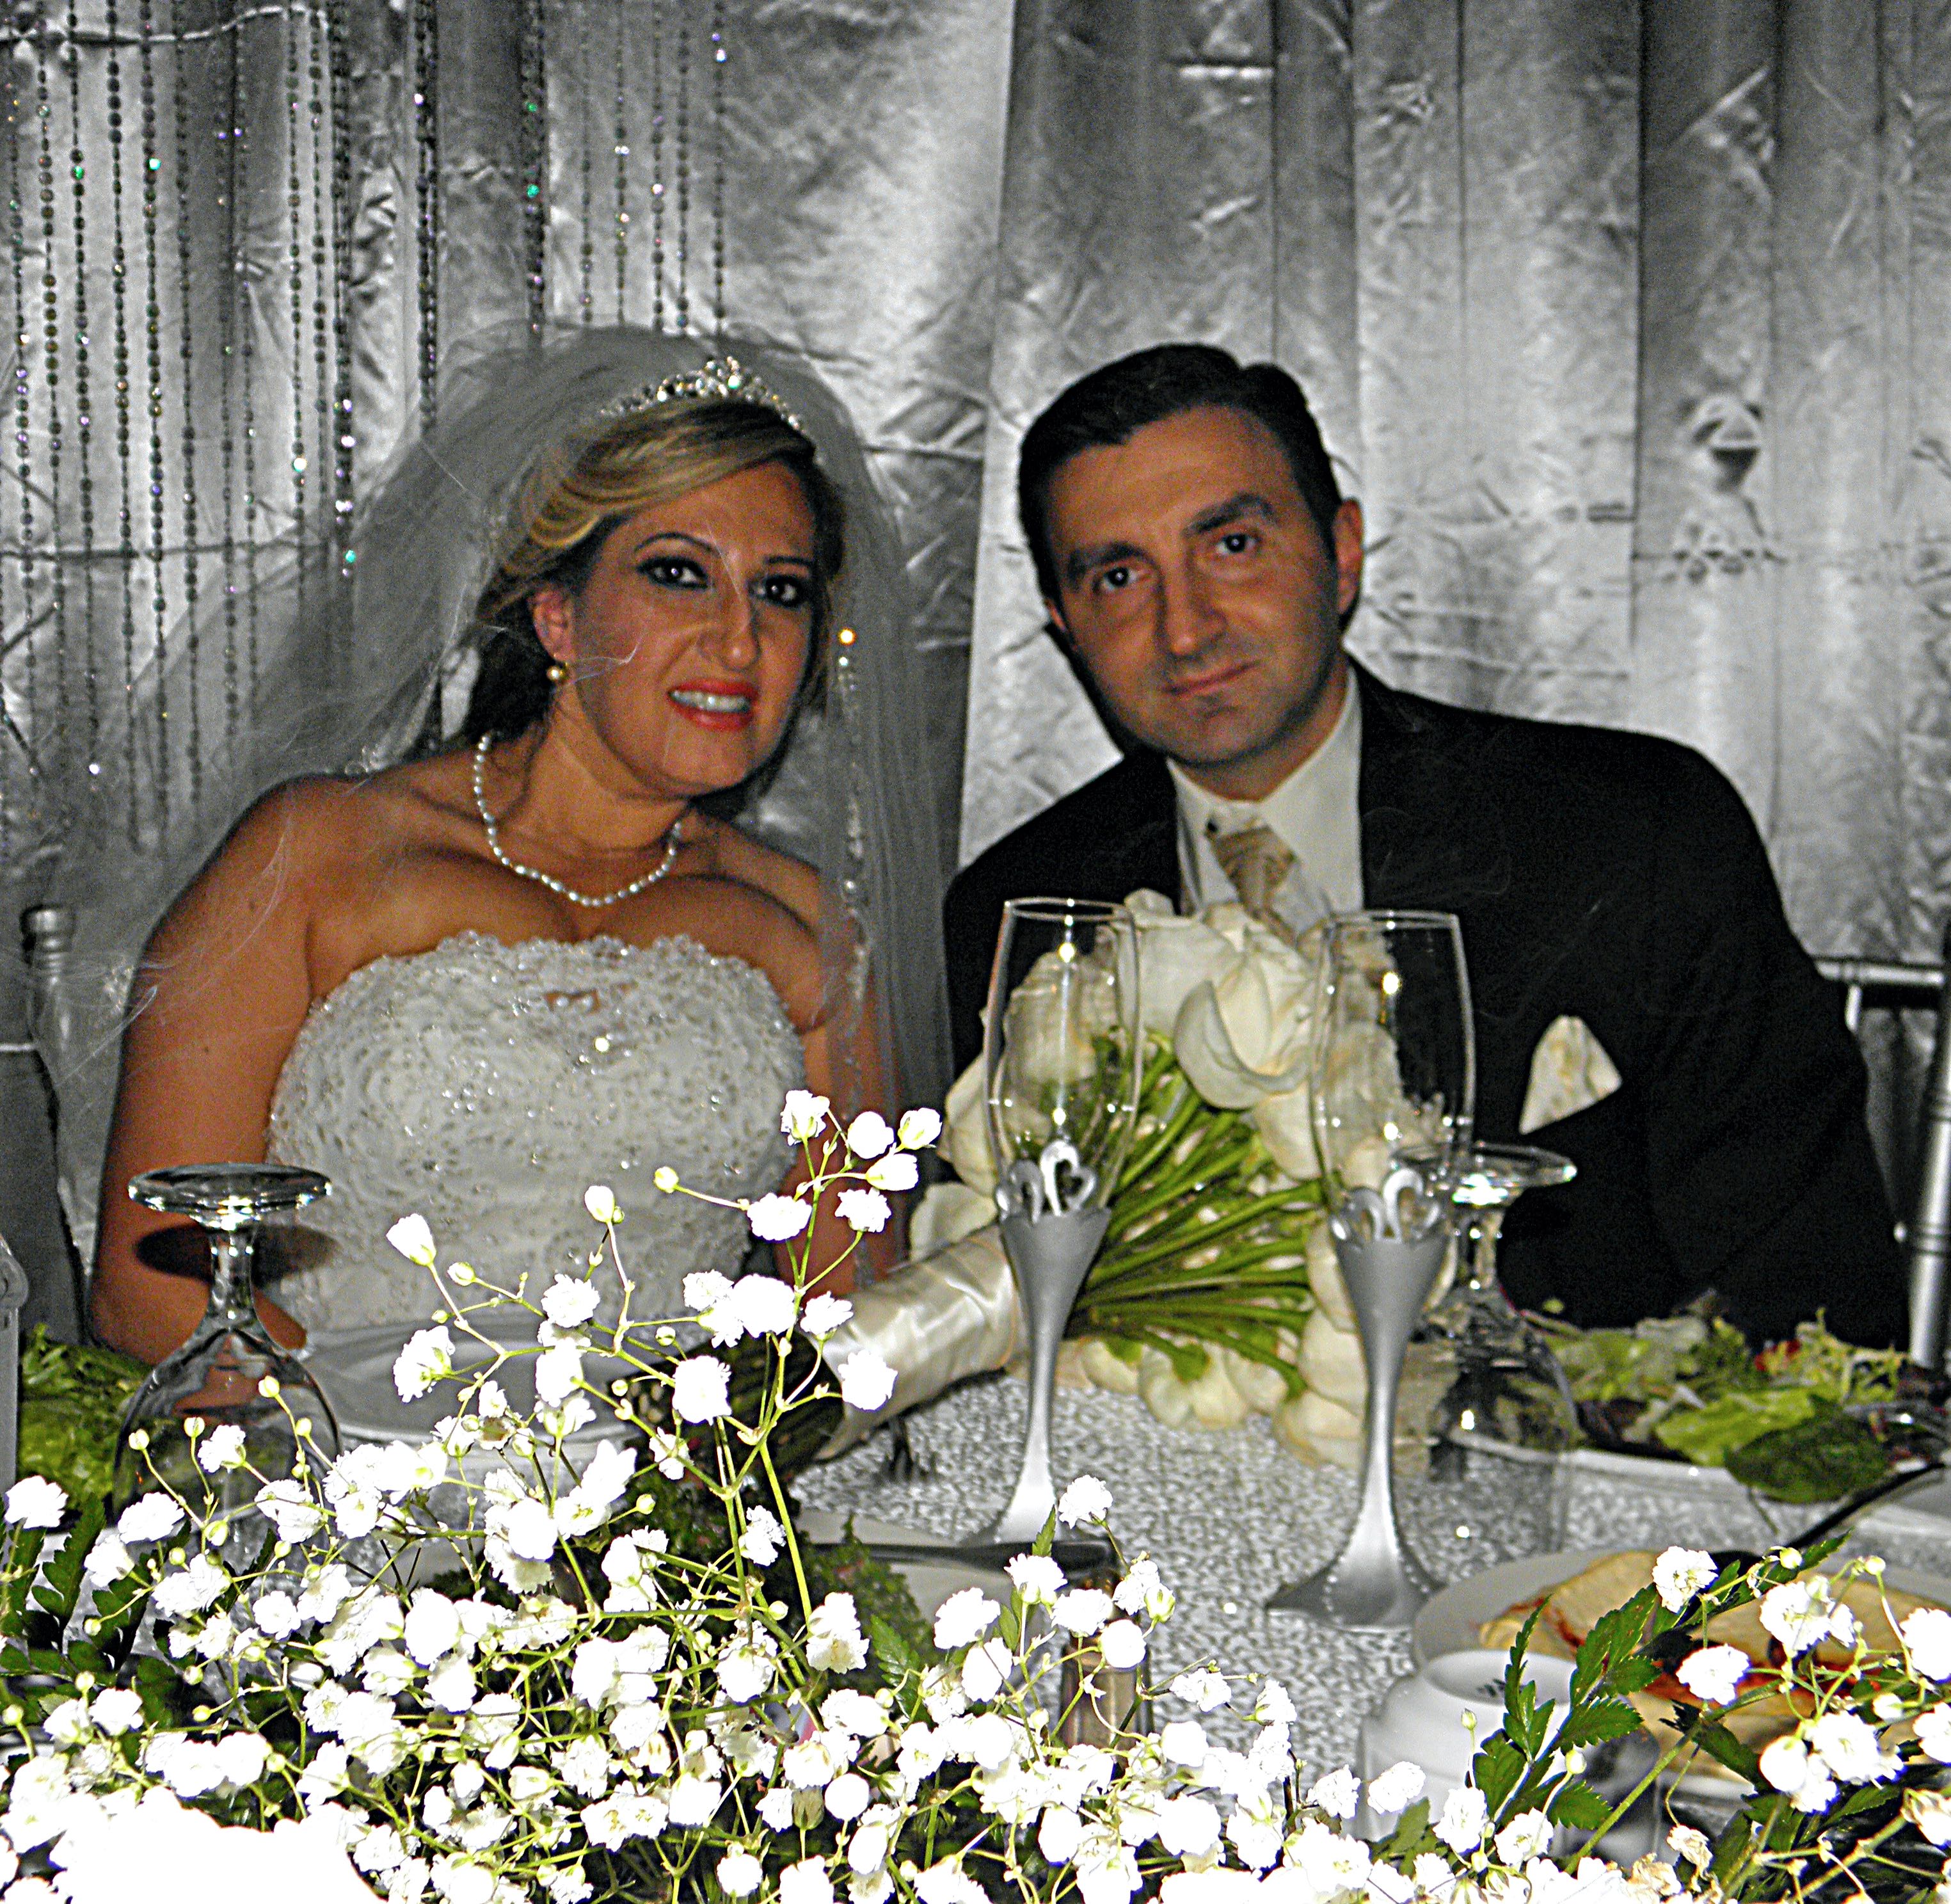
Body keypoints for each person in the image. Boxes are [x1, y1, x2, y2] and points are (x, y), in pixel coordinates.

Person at [945, 342, 1904, 1347]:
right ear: (1062, 623)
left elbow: (1812, 1290)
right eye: (1117, 577)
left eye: (1230, 545)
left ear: (1341, 553)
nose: (1183, 629)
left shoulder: (1634, 832)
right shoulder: (1016, 913)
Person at [85, 331, 950, 1364]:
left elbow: (843, 1326)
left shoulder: (808, 929)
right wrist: (387, 1445)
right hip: (329, 1447)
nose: (738, 640)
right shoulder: (320, 853)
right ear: (558, 616)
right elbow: (150, 1284)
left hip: (673, 1463)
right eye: (680, 574)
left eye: (782, 591)